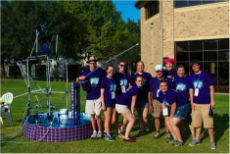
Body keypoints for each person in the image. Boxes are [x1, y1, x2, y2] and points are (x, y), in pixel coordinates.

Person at [76, 56, 106, 139]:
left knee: (98, 115)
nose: (93, 64)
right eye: (91, 63)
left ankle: (100, 131)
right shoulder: (85, 72)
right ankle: (94, 131)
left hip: (98, 96)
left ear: (95, 63)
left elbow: (108, 73)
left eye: (94, 63)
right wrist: (80, 78)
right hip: (89, 97)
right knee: (92, 115)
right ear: (89, 64)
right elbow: (76, 80)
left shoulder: (100, 71)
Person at [189, 60, 216, 150]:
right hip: (196, 104)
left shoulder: (205, 75)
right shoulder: (191, 77)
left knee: (209, 124)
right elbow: (191, 90)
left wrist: (212, 101)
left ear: (199, 66)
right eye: (193, 66)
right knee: (197, 123)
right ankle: (197, 139)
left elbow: (211, 88)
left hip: (206, 103)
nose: (195, 67)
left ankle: (212, 141)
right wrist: (192, 102)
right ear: (192, 67)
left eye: (196, 65)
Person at [116, 75, 143, 142]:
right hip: (121, 105)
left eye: (142, 80)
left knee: (127, 118)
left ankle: (122, 132)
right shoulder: (135, 89)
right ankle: (126, 137)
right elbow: (133, 103)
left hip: (121, 104)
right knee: (132, 119)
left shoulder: (133, 87)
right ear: (135, 81)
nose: (141, 82)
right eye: (139, 81)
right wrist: (132, 113)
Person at [148, 64, 172, 139]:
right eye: (157, 71)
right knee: (157, 117)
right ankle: (157, 132)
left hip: (165, 101)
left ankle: (167, 132)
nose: (159, 73)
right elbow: (149, 93)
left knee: (166, 116)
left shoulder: (167, 79)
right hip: (156, 101)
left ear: (162, 71)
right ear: (155, 72)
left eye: (160, 71)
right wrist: (150, 104)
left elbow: (171, 90)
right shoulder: (152, 80)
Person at [169, 65, 191, 146]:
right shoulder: (174, 79)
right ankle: (175, 139)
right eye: (179, 70)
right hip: (177, 105)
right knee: (170, 122)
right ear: (177, 71)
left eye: (182, 70)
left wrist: (191, 99)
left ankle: (180, 141)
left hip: (184, 105)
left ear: (184, 71)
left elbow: (191, 90)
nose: (181, 72)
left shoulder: (188, 79)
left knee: (173, 123)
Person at [131, 61, 152, 136]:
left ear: (144, 66)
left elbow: (151, 86)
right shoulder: (134, 76)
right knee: (140, 116)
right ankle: (142, 130)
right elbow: (131, 85)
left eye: (142, 65)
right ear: (137, 67)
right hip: (137, 98)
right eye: (139, 65)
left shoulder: (148, 75)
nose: (140, 67)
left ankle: (144, 128)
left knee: (145, 116)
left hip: (145, 98)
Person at [113, 61, 131, 136]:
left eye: (124, 65)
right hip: (118, 97)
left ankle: (122, 128)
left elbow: (129, 85)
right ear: (118, 66)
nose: (123, 66)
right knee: (117, 115)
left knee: (127, 114)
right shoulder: (116, 75)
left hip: (126, 97)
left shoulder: (127, 75)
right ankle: (117, 130)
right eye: (121, 65)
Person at [101, 65, 117, 141]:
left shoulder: (114, 79)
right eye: (109, 70)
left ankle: (105, 130)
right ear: (107, 71)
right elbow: (102, 93)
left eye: (112, 70)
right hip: (107, 102)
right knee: (108, 119)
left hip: (113, 102)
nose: (111, 72)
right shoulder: (104, 80)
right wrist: (103, 104)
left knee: (113, 120)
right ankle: (108, 134)